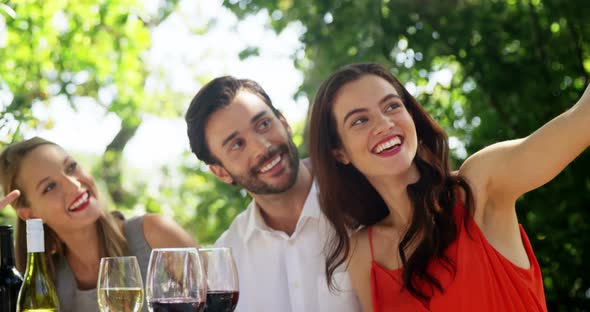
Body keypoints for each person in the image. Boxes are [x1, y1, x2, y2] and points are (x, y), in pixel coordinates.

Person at [308, 63, 590, 311]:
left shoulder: (478, 186)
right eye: (359, 120)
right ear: (339, 153)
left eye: (392, 106)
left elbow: (582, 119)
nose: (384, 124)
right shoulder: (364, 253)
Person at [185, 76, 361, 312]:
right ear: (221, 172)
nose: (262, 147)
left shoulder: (364, 201)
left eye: (263, 125)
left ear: (284, 122)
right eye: (237, 144)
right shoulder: (227, 259)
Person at [0, 137, 199, 312]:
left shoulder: (155, 234)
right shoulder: (44, 283)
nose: (74, 185)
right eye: (50, 187)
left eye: (71, 167)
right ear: (30, 214)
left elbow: (221, 300)